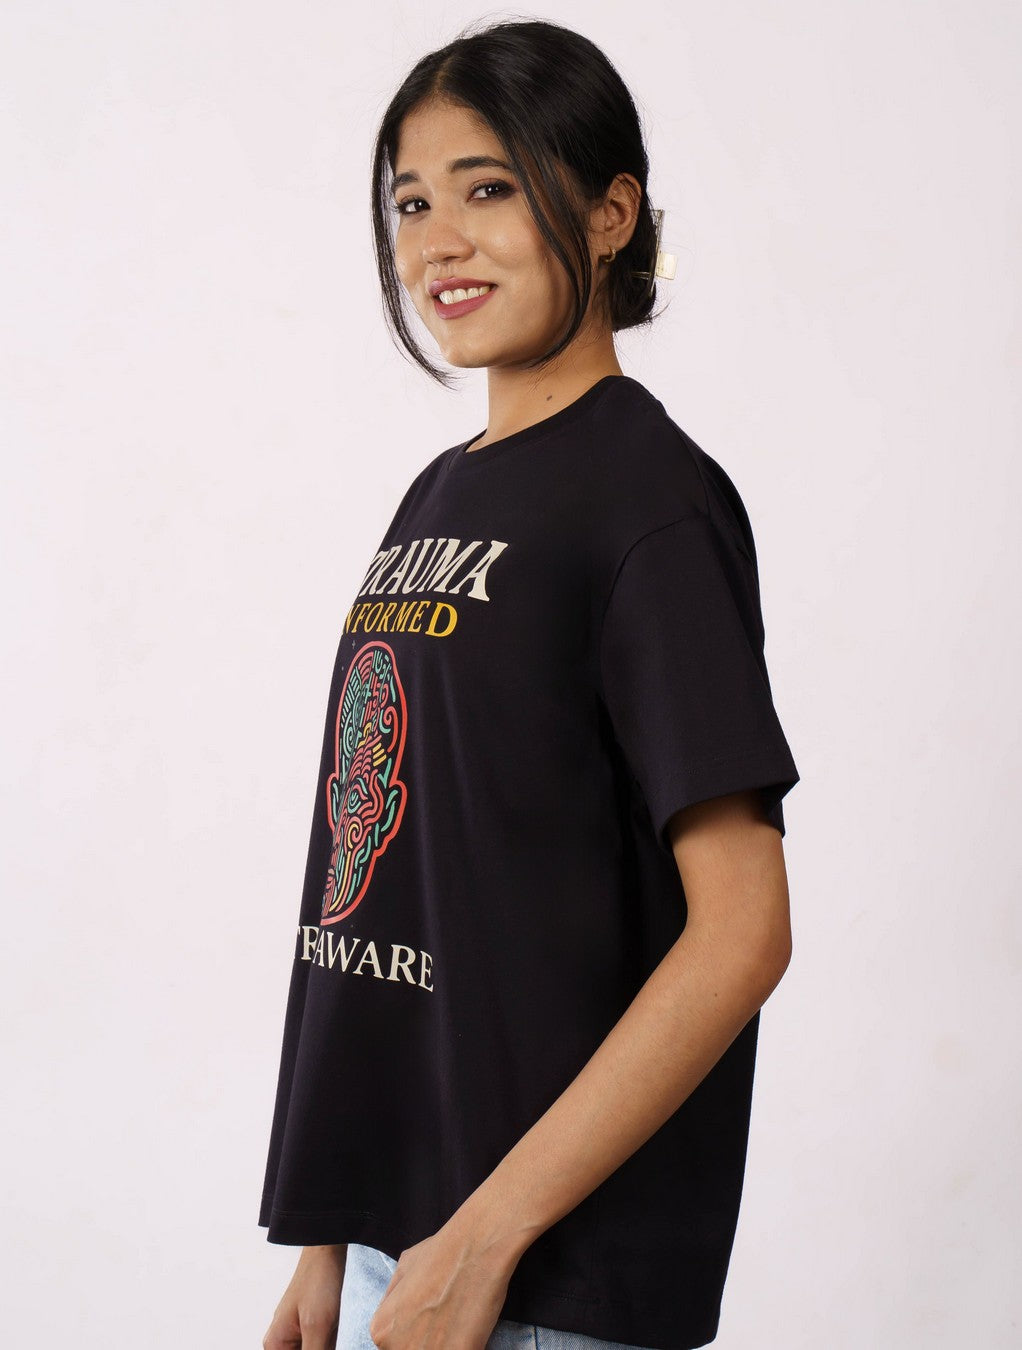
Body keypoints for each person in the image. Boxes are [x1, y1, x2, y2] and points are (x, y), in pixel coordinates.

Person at [259, 18, 800, 1350]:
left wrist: (487, 1239)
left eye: (487, 188)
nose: (438, 241)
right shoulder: (437, 495)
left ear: (610, 214)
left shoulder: (649, 503)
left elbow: (742, 930)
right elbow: (381, 871)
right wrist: (332, 1238)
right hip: (405, 1248)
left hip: (544, 1278)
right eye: (410, 203)